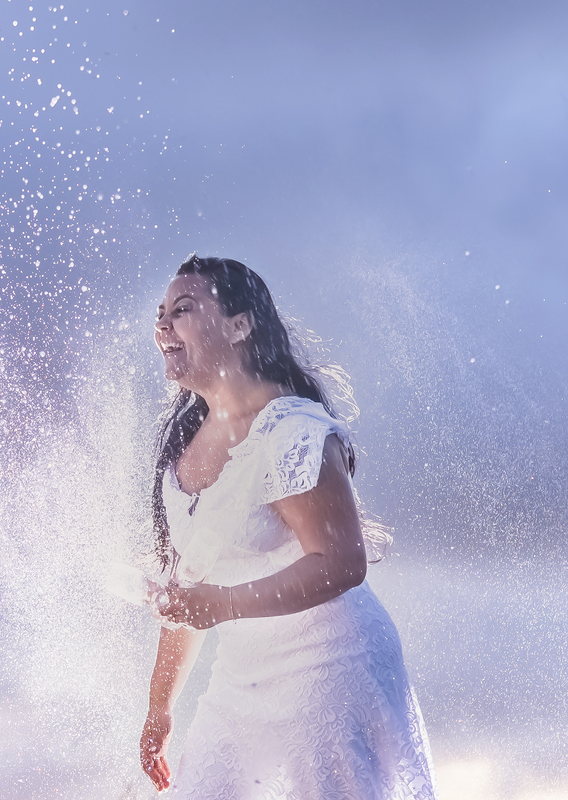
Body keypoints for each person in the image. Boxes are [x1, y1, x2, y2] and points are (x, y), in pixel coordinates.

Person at [138, 255, 437, 799]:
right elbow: (191, 594)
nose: (162, 325)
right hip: (240, 680)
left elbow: (342, 562)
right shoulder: (180, 448)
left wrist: (223, 603)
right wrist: (159, 710)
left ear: (239, 325)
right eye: (160, 314)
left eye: (182, 310)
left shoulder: (292, 431)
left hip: (332, 668)